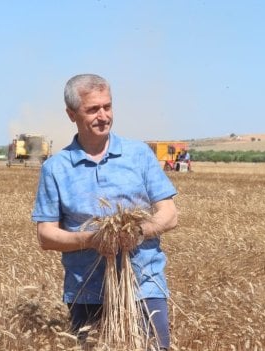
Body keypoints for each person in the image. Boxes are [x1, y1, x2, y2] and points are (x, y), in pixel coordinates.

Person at [32, 74, 178, 350]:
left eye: (107, 107)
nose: (103, 116)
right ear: (71, 114)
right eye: (92, 109)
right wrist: (93, 239)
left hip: (145, 286)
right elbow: (46, 235)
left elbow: (169, 213)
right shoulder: (56, 168)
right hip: (86, 292)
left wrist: (139, 231)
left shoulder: (139, 155)